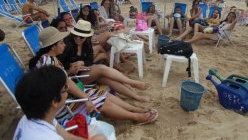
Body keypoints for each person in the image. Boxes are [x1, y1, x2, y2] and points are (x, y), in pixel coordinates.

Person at [29, 27, 158, 124]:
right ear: (53, 46)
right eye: (61, 43)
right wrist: (86, 98)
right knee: (101, 101)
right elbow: (66, 83)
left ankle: (135, 110)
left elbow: (65, 80)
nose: (64, 44)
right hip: (61, 106)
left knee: (104, 95)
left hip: (66, 95)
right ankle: (135, 117)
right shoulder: (50, 63)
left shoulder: (47, 59)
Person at [57, 20, 152, 102]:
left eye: (81, 37)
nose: (78, 38)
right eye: (76, 36)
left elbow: (89, 60)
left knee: (108, 79)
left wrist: (82, 62)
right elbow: (60, 66)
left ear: (86, 36)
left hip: (84, 72)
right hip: (73, 78)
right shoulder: (67, 45)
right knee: (102, 69)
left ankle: (137, 97)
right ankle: (132, 83)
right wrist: (70, 68)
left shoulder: (87, 43)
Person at [13, 66, 106, 140]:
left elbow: (68, 137)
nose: (67, 90)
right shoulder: (49, 137)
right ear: (54, 102)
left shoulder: (32, 118)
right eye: (65, 88)